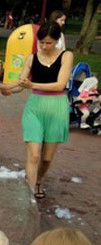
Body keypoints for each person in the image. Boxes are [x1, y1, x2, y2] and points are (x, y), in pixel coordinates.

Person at [17, 21, 73, 199]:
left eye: (48, 42)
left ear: (57, 40)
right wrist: (3, 88)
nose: (44, 46)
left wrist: (31, 84)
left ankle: (38, 180)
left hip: (57, 107)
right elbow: (20, 84)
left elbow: (60, 85)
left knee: (46, 158)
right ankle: (29, 193)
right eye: (41, 42)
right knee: (33, 155)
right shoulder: (32, 58)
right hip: (35, 107)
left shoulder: (66, 56)